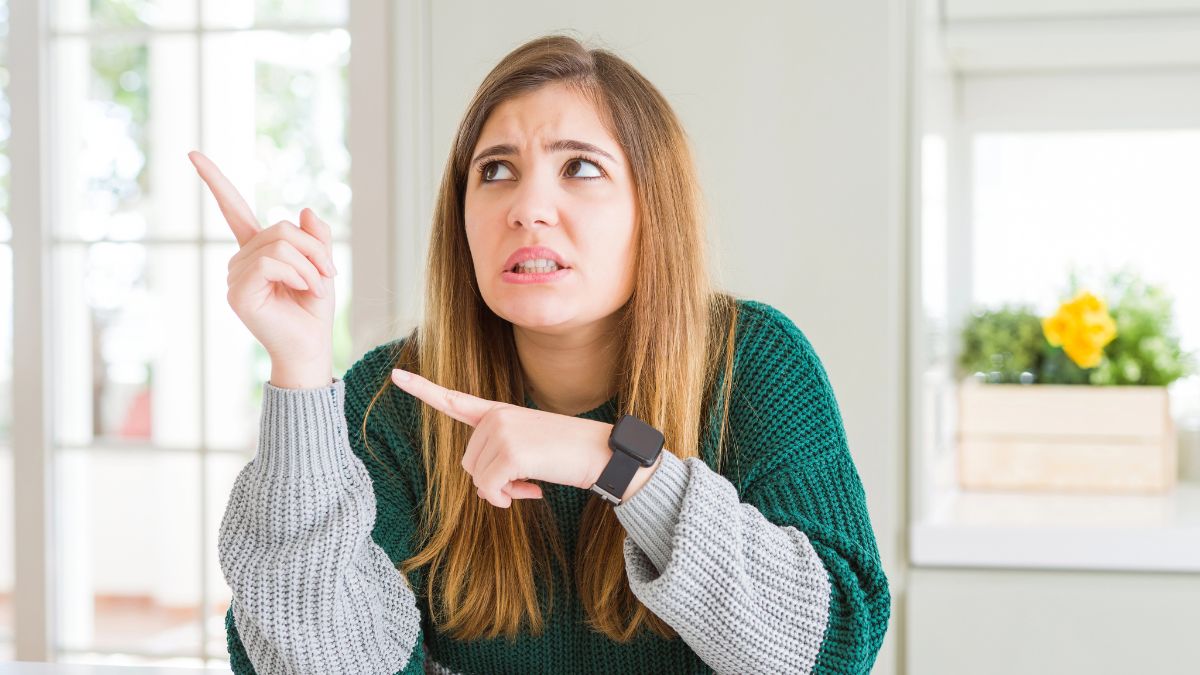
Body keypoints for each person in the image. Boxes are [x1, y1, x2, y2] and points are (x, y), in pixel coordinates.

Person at [192, 33, 890, 675]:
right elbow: (302, 658)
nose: (528, 207)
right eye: (495, 170)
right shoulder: (391, 401)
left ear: (654, 208)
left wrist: (612, 460)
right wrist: (303, 372)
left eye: (580, 167)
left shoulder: (753, 365)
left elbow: (833, 650)